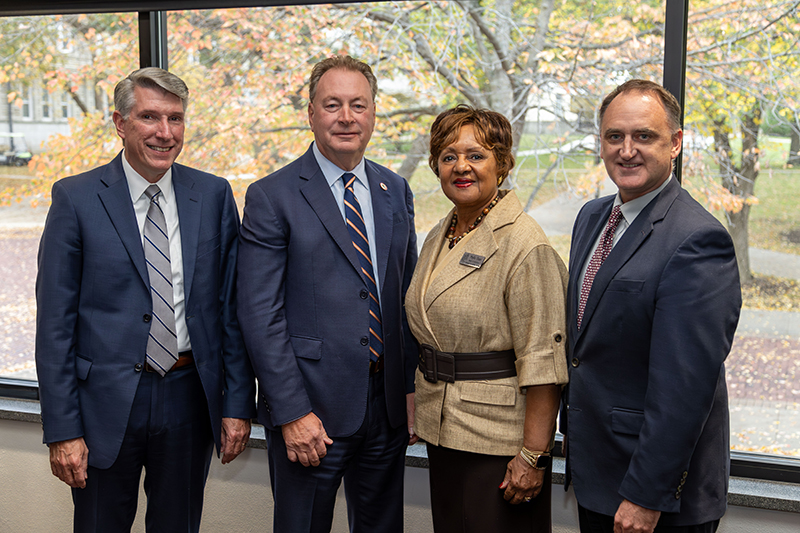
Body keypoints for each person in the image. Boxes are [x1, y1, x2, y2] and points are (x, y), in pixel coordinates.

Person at [35, 67, 256, 532]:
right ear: (120, 123)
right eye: (150, 117)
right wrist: (63, 430)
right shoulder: (75, 198)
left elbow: (230, 311)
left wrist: (238, 404)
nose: (165, 132)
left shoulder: (213, 194)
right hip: (104, 404)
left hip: (188, 396)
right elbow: (55, 326)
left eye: (175, 119)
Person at [237, 55, 418, 533]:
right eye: (332, 104)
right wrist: (293, 412)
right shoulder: (272, 195)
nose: (346, 117)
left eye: (358, 105)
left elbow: (405, 297)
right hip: (311, 412)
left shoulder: (394, 189)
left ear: (374, 112)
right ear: (311, 113)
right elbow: (259, 314)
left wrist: (410, 389)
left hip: (386, 410)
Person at [562, 79, 742, 533]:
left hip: (653, 496)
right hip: (599, 473)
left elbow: (685, 389)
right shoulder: (592, 217)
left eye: (644, 136)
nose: (627, 150)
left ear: (676, 143)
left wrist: (645, 495)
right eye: (614, 136)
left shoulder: (698, 240)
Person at [405, 104, 569, 533]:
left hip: (501, 443)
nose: (462, 167)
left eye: (476, 155)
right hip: (444, 430)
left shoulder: (523, 243)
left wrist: (532, 456)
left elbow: (544, 362)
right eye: (448, 156)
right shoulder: (442, 232)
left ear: (503, 163)